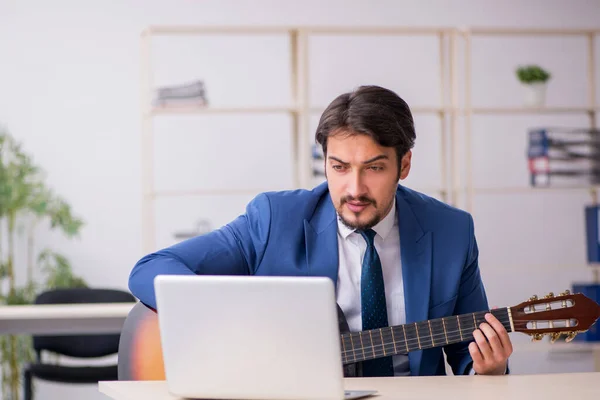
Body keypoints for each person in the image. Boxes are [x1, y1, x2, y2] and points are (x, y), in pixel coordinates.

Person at [128, 85, 512, 377]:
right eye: (339, 167)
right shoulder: (275, 219)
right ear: (324, 162)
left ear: (404, 164)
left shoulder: (451, 232)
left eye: (374, 168)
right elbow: (151, 268)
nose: (355, 189)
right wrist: (231, 320)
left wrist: (489, 369)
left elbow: (467, 356)